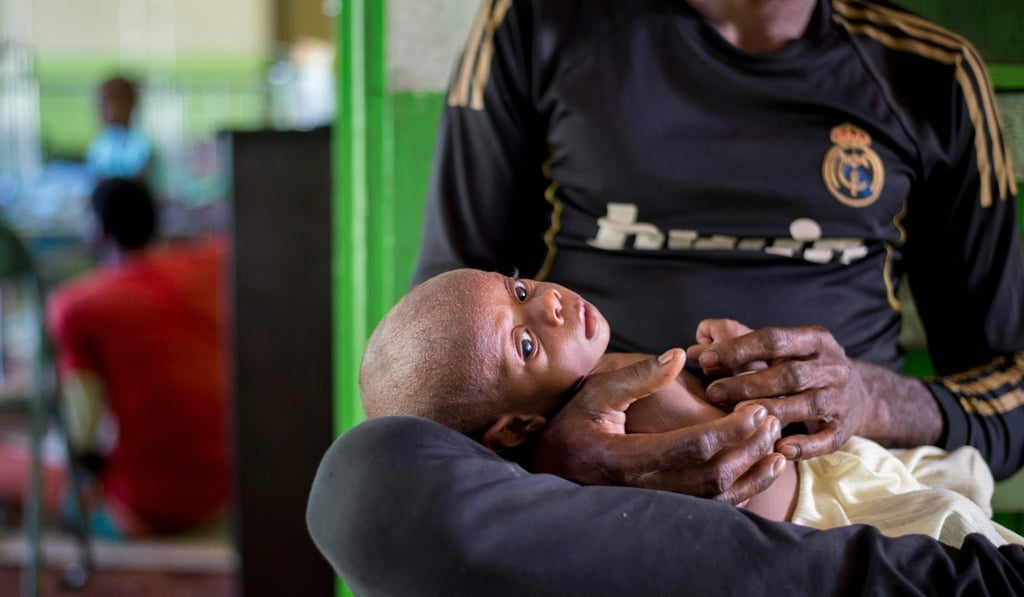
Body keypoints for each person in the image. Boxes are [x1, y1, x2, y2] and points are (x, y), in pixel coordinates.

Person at [308, 0, 1024, 594]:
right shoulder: (539, 23)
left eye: (529, 291)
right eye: (527, 311)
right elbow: (449, 358)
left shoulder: (932, 75)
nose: (543, 303)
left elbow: (1013, 387)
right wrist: (558, 458)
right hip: (585, 524)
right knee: (361, 482)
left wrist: (865, 398)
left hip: (827, 492)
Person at [358, 267, 1023, 549]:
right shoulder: (602, 436)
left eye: (521, 286)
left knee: (953, 477)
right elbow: (742, 481)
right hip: (830, 512)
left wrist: (732, 360)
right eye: (527, 341)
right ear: (516, 426)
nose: (550, 303)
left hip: (843, 460)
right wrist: (750, 408)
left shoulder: (602, 376)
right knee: (966, 542)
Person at [0, 177, 230, 538]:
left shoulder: (77, 306)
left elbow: (83, 432)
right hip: (228, 486)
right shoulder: (209, 267)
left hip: (150, 508)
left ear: (98, 230)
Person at [85, 76, 152, 181]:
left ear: (128, 105)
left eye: (107, 102)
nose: (101, 108)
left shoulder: (141, 144)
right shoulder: (100, 142)